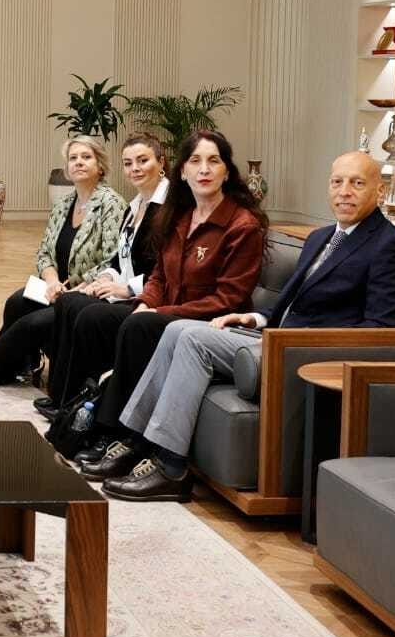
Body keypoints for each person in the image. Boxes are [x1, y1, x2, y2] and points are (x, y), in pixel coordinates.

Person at [99, 150, 395, 501]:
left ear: (380, 191)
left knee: (194, 340)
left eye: (357, 183)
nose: (344, 192)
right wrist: (255, 317)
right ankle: (138, 442)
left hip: (306, 354)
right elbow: (291, 302)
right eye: (337, 182)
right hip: (272, 337)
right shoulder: (321, 237)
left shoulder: (390, 246)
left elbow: (381, 331)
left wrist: (298, 340)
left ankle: (171, 468)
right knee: (177, 329)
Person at [75, 130, 267, 482]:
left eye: (214, 161)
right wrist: (146, 301)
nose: (204, 169)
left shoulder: (242, 225)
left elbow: (229, 298)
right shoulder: (179, 217)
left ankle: (126, 437)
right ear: (182, 171)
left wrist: (157, 312)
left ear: (227, 171)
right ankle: (106, 429)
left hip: (213, 321)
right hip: (172, 315)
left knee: (141, 326)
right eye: (195, 161)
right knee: (113, 318)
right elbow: (159, 276)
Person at [0, 135, 126, 388]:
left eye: (86, 157)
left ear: (100, 166)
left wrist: (74, 290)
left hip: (88, 293)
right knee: (16, 302)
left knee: (33, 323)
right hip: (58, 288)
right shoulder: (64, 204)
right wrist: (53, 282)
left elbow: (113, 260)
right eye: (73, 158)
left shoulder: (112, 204)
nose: (78, 162)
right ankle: (15, 366)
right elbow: (44, 252)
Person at [36, 133, 170, 416]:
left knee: (88, 314)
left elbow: (165, 269)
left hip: (148, 296)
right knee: (68, 302)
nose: (135, 168)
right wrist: (105, 278)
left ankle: (80, 401)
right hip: (124, 288)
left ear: (161, 163)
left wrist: (127, 288)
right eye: (128, 163)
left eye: (143, 161)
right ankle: (63, 396)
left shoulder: (169, 208)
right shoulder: (136, 205)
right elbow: (119, 258)